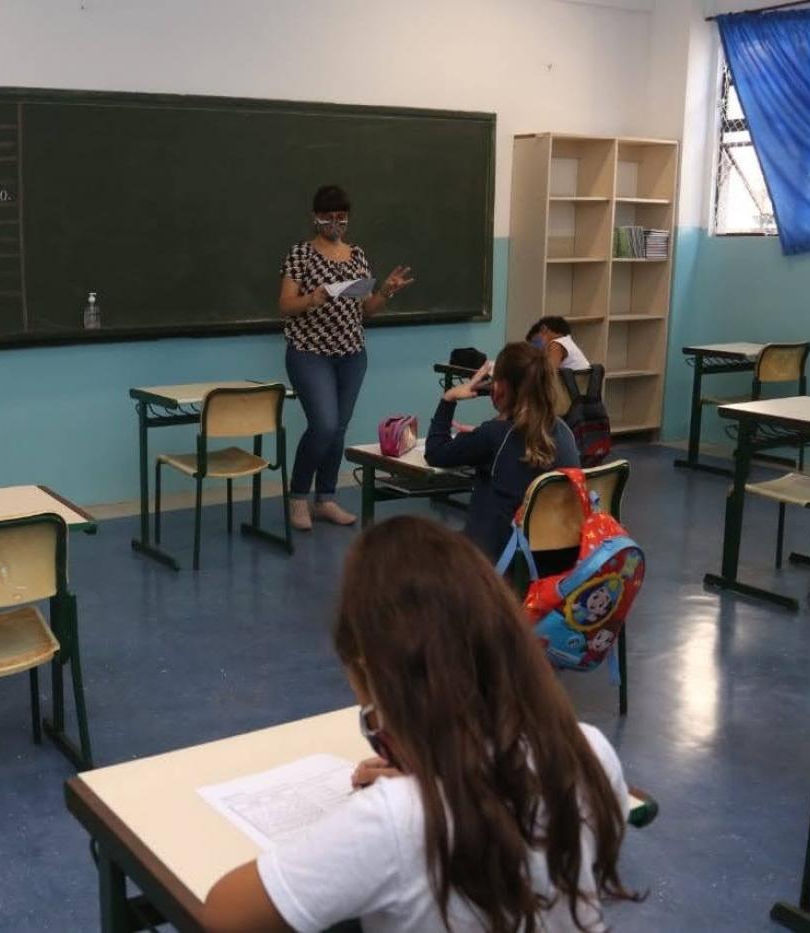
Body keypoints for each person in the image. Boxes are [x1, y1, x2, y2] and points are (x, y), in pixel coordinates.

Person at [202, 516, 637, 933]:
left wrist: (414, 790)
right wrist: (437, 771)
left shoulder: (394, 819)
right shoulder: (590, 750)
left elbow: (224, 913)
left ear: (370, 673)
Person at [278, 184, 415, 531]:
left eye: (342, 217)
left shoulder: (357, 255)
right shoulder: (301, 254)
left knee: (337, 429)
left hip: (352, 353)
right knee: (322, 424)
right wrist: (314, 297)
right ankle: (297, 498)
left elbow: (366, 309)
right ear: (315, 217)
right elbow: (285, 305)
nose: (336, 223)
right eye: (329, 217)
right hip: (309, 352)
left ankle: (325, 499)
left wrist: (386, 290)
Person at [424, 342, 579, 561]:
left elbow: (435, 452)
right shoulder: (565, 431)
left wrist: (448, 398)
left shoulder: (494, 436)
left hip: (501, 560)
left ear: (500, 389)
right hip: (558, 558)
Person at [526, 316, 591, 370]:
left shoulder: (556, 344)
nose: (535, 347)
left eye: (535, 341)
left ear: (544, 329)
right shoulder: (566, 341)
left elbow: (549, 372)